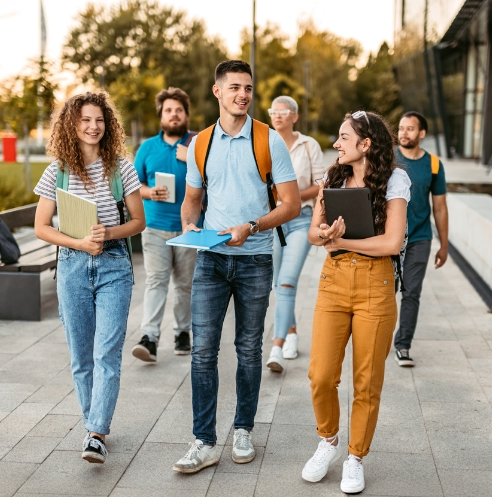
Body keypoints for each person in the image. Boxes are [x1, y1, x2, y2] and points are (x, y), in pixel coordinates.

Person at [172, 60, 300, 473]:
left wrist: (253, 226)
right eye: (234, 88)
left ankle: (243, 429)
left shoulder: (268, 140)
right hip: (210, 259)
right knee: (202, 351)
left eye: (247, 87)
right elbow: (192, 198)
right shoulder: (200, 144)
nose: (242, 94)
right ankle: (204, 441)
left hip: (255, 260)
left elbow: (291, 205)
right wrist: (189, 225)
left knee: (248, 350)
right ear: (217, 92)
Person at [33, 91, 145, 464]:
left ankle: (97, 433)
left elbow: (137, 222)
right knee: (81, 357)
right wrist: (79, 242)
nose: (93, 127)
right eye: (85, 120)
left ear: (108, 124)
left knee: (106, 354)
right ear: (71, 125)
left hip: (113, 265)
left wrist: (105, 235)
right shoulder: (57, 172)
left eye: (99, 120)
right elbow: (41, 227)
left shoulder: (121, 168)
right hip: (72, 267)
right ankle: (91, 426)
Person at [302, 111, 410, 494]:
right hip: (333, 282)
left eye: (343, 137)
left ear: (366, 144)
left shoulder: (395, 180)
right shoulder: (332, 177)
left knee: (366, 381)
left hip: (375, 284)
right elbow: (314, 234)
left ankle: (355, 456)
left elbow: (392, 243)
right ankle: (328, 440)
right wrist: (326, 232)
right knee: (320, 375)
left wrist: (342, 241)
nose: (336, 144)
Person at [131, 87, 198, 362]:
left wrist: (191, 158)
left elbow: (214, 180)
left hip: (189, 228)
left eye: (179, 110)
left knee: (184, 285)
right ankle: (149, 338)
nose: (174, 115)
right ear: (161, 115)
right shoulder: (147, 147)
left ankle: (183, 332)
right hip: (155, 227)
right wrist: (149, 193)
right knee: (157, 281)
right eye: (169, 110)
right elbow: (133, 186)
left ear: (185, 115)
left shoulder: (197, 145)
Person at [265, 95, 325, 373]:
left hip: (301, 220)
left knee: (287, 282)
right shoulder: (265, 142)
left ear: (294, 117)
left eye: (283, 111)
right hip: (273, 221)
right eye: (273, 111)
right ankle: (291, 333)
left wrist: (292, 197)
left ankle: (275, 347)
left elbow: (321, 183)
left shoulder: (308, 144)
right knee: (278, 282)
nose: (277, 115)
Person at [393, 111, 448, 367]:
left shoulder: (434, 165)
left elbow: (439, 207)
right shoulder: (389, 158)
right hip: (389, 237)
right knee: (385, 291)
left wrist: (444, 245)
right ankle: (378, 338)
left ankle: (403, 345)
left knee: (411, 292)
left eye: (410, 129)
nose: (404, 133)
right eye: (401, 128)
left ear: (422, 134)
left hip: (420, 238)